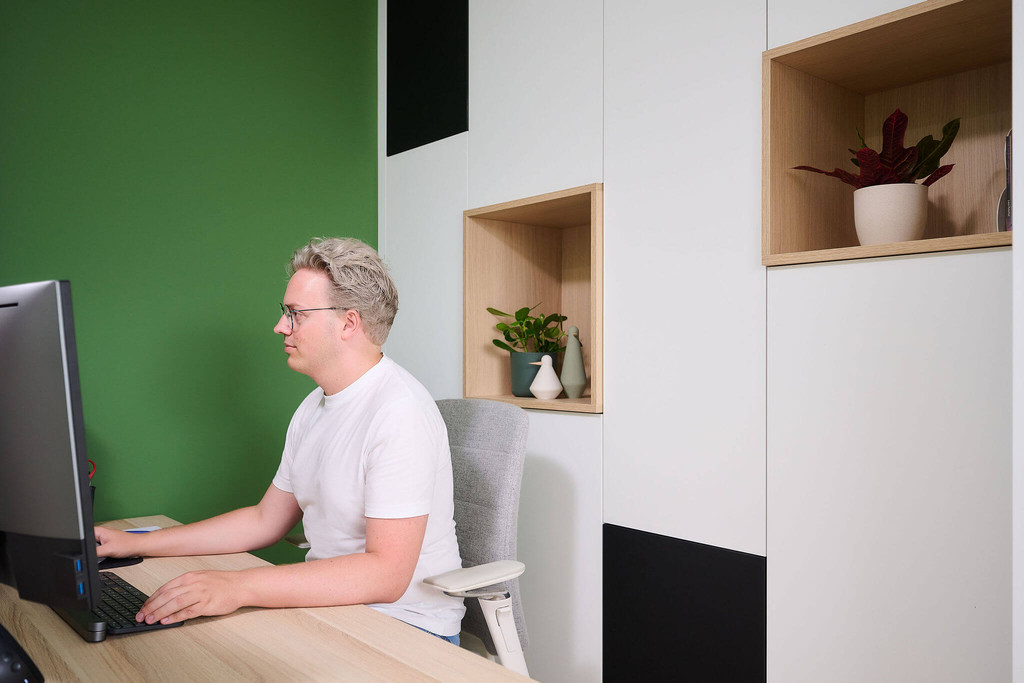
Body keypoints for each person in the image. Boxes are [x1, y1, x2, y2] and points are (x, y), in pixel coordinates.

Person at [94, 237, 466, 643]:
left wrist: (238, 587)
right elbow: (264, 520)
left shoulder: (400, 413)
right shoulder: (314, 406)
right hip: (338, 609)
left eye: (296, 314)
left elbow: (386, 575)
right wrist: (132, 542)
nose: (280, 326)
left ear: (349, 323)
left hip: (406, 626)